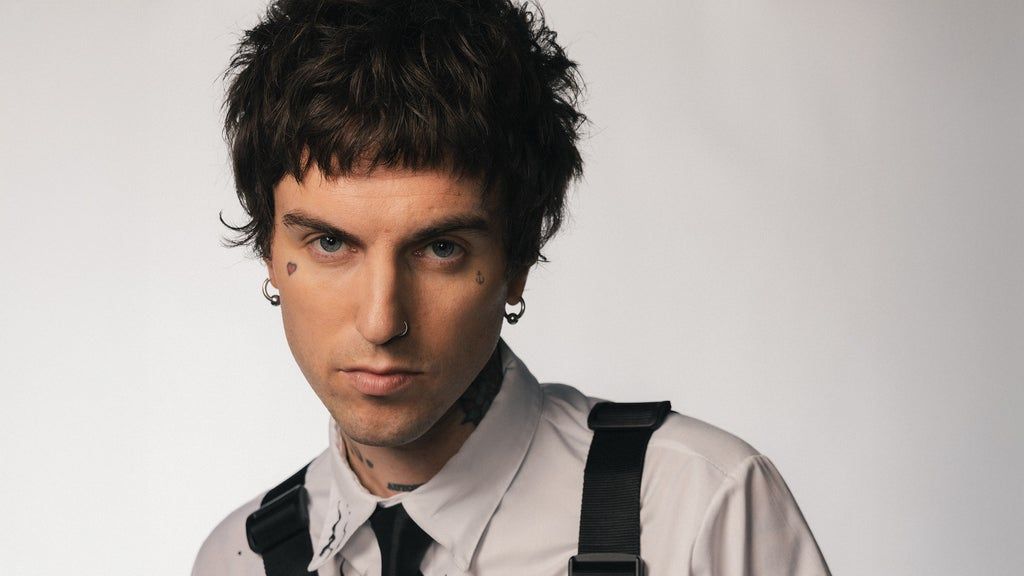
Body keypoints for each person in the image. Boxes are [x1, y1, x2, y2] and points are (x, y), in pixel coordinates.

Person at [192, 0, 832, 574]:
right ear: (269, 253)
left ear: (518, 260)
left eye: (441, 248)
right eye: (331, 244)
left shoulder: (697, 511)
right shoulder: (236, 560)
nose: (382, 321)